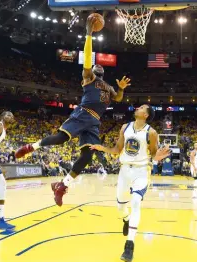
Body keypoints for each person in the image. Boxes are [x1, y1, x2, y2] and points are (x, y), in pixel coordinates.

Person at [15, 16, 131, 206]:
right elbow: (87, 56)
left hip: (94, 121)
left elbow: (117, 99)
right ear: (93, 68)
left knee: (87, 155)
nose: (98, 65)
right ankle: (31, 147)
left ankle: (62, 185)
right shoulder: (89, 76)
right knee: (61, 138)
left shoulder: (109, 87)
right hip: (83, 113)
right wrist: (88, 34)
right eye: (96, 64)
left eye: (100, 65)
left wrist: (121, 88)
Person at [90, 104, 170, 262]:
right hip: (124, 170)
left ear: (146, 115)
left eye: (141, 108)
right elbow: (117, 149)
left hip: (141, 171)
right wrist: (102, 148)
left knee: (135, 202)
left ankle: (129, 245)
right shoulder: (125, 127)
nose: (137, 108)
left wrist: (158, 157)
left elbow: (153, 154)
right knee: (120, 206)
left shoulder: (151, 133)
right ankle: (126, 219)